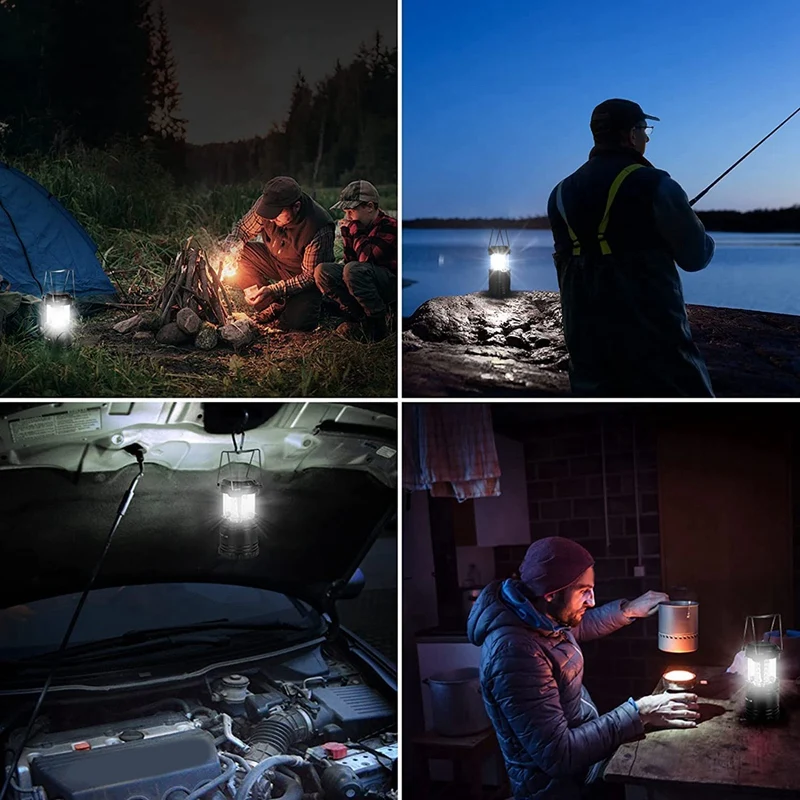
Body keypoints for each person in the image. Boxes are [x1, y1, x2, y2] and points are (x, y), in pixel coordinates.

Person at [467, 537, 700, 800]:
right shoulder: (514, 655)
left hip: (582, 770)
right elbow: (558, 755)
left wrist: (628, 610)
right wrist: (639, 712)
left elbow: (577, 626)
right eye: (583, 591)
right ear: (551, 593)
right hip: (556, 790)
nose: (591, 601)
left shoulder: (539, 615)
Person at [547, 99, 716, 397]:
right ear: (630, 134)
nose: (647, 137)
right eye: (644, 129)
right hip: (656, 347)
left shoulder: (559, 194)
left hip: (587, 351)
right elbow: (696, 256)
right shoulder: (656, 185)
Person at [222, 176, 335, 331]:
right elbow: (242, 230)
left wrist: (275, 289)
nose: (271, 217)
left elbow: (309, 277)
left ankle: (322, 303)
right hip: (275, 260)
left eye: (277, 213)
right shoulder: (267, 206)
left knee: (297, 323)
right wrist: (230, 251)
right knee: (241, 254)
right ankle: (269, 303)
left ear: (296, 206)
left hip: (303, 277)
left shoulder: (318, 227)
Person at [315, 180, 397, 341]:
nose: (347, 217)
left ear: (370, 207)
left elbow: (366, 259)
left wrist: (353, 229)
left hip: (390, 286)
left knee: (354, 270)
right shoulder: (357, 227)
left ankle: (379, 323)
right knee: (323, 271)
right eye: (346, 212)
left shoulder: (390, 226)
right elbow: (349, 260)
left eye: (351, 211)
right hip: (366, 282)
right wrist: (347, 234)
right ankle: (359, 316)